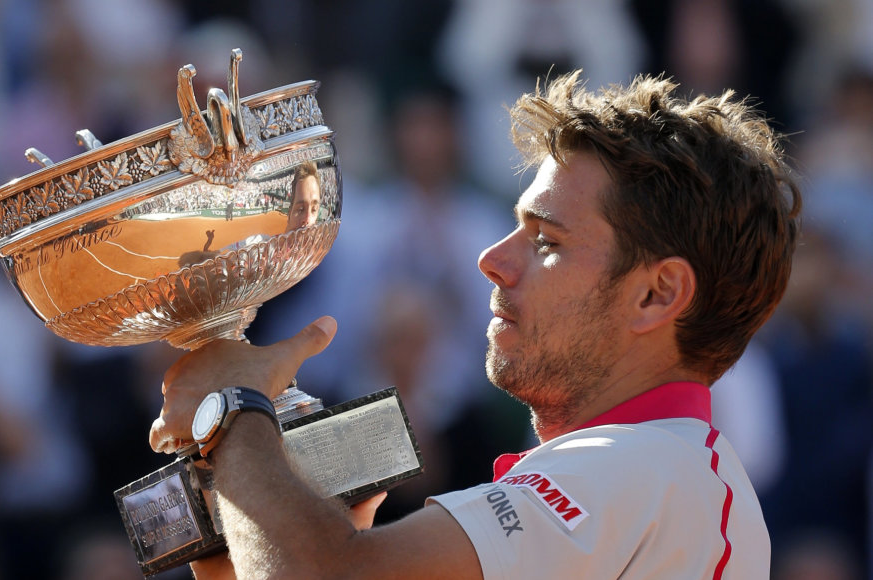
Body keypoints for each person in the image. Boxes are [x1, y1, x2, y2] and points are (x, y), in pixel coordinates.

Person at [149, 71, 801, 578]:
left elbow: (328, 575)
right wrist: (251, 536)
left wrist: (234, 414)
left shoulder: (639, 468)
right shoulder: (658, 479)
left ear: (657, 295)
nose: (491, 260)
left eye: (547, 241)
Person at [285, 160, 322, 232]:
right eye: (301, 209)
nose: (307, 219)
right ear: (290, 212)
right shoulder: (264, 241)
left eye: (314, 209)